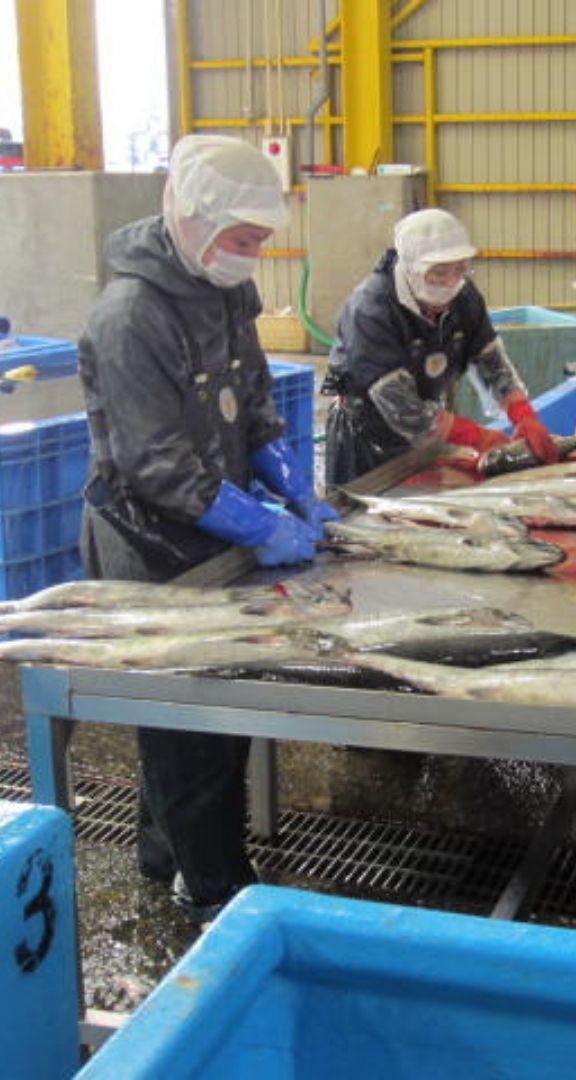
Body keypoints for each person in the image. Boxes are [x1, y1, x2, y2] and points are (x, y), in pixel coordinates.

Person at [78, 134, 338, 925]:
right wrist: (255, 523)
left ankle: (166, 853)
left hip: (211, 523)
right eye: (242, 240)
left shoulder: (224, 290)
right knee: (189, 724)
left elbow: (251, 403)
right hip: (147, 538)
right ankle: (219, 897)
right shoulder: (130, 316)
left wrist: (293, 486)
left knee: (220, 707)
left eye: (261, 243)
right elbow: (155, 462)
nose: (251, 256)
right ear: (191, 221)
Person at [322, 207, 559, 483]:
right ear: (411, 269)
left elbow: (491, 363)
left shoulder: (463, 296)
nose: (451, 282)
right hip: (364, 437)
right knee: (363, 515)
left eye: (459, 269)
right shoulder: (371, 310)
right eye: (438, 273)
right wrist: (476, 436)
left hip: (427, 427)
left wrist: (522, 413)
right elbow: (401, 406)